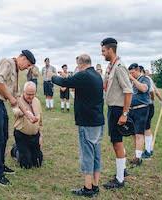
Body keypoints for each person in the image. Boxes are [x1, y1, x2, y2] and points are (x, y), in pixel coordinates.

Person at [51, 54, 104, 198]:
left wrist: (53, 76)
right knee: (96, 155)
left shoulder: (84, 75)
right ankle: (95, 185)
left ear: (80, 64)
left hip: (87, 122)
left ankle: (87, 189)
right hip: (98, 120)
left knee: (87, 155)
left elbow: (64, 82)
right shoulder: (97, 75)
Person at [0, 50, 37, 186]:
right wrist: (11, 98)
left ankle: (1, 165)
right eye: (28, 64)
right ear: (22, 58)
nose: (27, 68)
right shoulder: (8, 62)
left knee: (5, 136)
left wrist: (28, 113)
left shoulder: (16, 72)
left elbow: (17, 97)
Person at [101, 38, 133, 189]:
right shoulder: (111, 66)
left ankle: (120, 179)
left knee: (117, 143)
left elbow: (128, 91)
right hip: (112, 108)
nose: (102, 54)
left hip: (118, 110)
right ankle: (123, 170)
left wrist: (124, 113)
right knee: (116, 142)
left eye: (103, 51)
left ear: (110, 50)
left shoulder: (119, 67)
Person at [10, 81, 43, 169]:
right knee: (26, 165)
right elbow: (15, 112)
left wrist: (41, 135)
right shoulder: (18, 100)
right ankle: (15, 150)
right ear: (23, 92)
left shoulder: (37, 101)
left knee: (38, 162)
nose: (31, 97)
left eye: (33, 94)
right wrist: (25, 112)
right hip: (21, 135)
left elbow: (40, 119)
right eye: (28, 94)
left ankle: (29, 151)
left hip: (35, 136)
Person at [128, 63, 151, 167]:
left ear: (138, 70)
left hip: (141, 109)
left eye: (133, 73)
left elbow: (144, 89)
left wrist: (132, 79)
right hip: (132, 110)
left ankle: (138, 159)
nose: (131, 75)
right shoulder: (133, 81)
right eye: (130, 73)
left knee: (139, 134)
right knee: (134, 133)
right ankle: (137, 155)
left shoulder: (144, 79)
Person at [141, 68, 162, 158]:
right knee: (146, 128)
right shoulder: (148, 79)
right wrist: (161, 100)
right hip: (148, 105)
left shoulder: (146, 79)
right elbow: (156, 91)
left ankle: (148, 150)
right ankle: (149, 148)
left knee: (146, 128)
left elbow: (153, 92)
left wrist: (151, 100)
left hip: (147, 106)